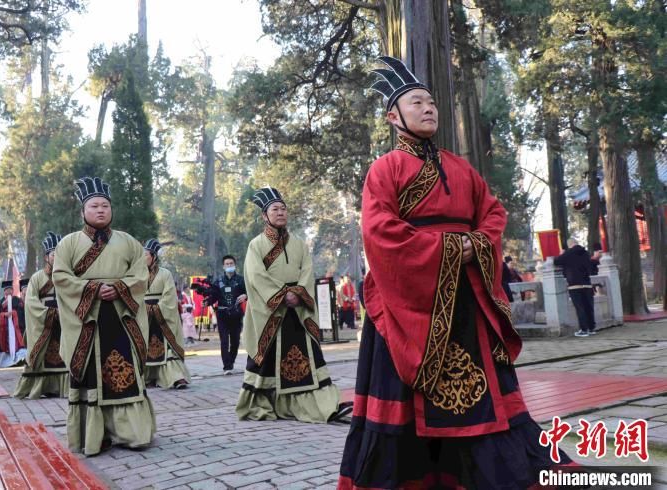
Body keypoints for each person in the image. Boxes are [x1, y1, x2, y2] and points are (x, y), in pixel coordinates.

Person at [338, 56, 573, 489]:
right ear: (394, 116)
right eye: (416, 102)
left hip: (465, 298)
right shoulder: (384, 170)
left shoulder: (461, 167)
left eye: (431, 103)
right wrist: (449, 248)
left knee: (487, 399)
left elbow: (493, 213)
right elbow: (381, 231)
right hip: (406, 297)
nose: (429, 108)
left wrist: (475, 244)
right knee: (405, 406)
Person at [53, 176, 155, 456]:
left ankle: (130, 433)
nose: (101, 210)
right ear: (83, 211)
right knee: (90, 375)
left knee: (124, 372)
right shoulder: (69, 243)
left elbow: (141, 274)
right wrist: (93, 289)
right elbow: (60, 277)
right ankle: (93, 435)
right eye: (95, 206)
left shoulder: (128, 242)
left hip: (121, 316)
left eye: (106, 206)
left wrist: (120, 287)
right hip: (87, 320)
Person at [236, 187, 352, 423]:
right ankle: (263, 405)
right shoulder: (255, 246)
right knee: (265, 359)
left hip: (298, 309)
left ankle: (321, 405)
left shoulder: (299, 243)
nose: (280, 213)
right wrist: (281, 295)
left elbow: (307, 270)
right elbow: (255, 276)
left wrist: (298, 292)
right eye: (275, 209)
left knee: (309, 358)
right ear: (264, 216)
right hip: (271, 311)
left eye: (283, 209)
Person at [13, 232, 69, 399]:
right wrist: (49, 314)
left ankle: (63, 387)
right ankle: (40, 387)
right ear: (46, 257)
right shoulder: (37, 278)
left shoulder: (67, 275)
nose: (56, 257)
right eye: (53, 254)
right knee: (42, 355)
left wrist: (66, 312)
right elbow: (30, 302)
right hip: (45, 320)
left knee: (64, 353)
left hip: (64, 320)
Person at [143, 239, 190, 389]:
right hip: (144, 315)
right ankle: (149, 377)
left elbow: (170, 296)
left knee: (168, 347)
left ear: (154, 256)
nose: (142, 258)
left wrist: (156, 308)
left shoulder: (165, 274)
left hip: (163, 315)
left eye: (145, 255)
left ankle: (176, 377)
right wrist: (142, 308)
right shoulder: (137, 275)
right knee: (145, 346)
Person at [211, 255, 247, 374]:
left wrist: (246, 295)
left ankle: (231, 361)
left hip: (236, 314)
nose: (229, 265)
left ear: (235, 265)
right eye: (227, 264)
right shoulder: (218, 281)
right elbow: (213, 296)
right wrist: (207, 301)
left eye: (231, 263)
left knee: (235, 341)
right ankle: (227, 366)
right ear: (223, 266)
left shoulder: (241, 280)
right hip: (222, 314)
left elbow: (249, 291)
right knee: (224, 341)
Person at [554, 238, 596, 337]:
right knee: (588, 307)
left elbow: (556, 261)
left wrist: (561, 254)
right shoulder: (585, 253)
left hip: (574, 285)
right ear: (577, 243)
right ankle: (591, 328)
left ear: (569, 245)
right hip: (587, 283)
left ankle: (584, 329)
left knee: (580, 307)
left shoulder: (568, 254)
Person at [0, 280, 27, 368]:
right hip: (5, 327)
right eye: (7, 289)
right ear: (4, 291)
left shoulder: (17, 300)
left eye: (10, 289)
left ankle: (19, 360)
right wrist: (4, 315)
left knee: (20, 341)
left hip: (17, 327)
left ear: (13, 290)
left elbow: (21, 311)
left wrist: (14, 314)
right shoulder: (1, 302)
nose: (9, 291)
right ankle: (6, 362)